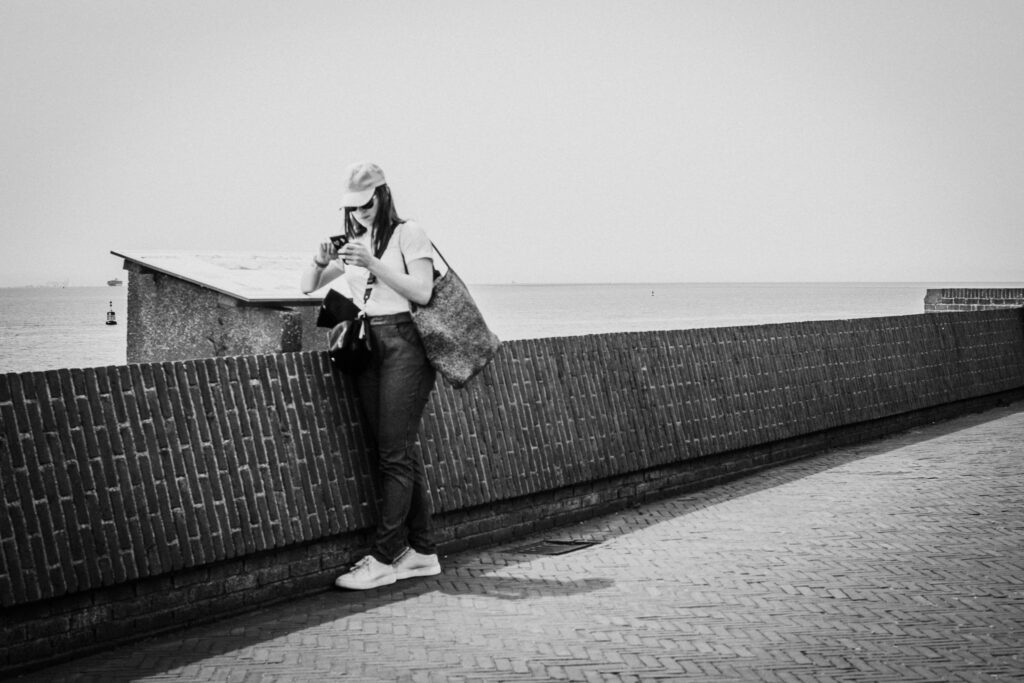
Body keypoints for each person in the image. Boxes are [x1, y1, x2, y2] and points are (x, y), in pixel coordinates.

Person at [300, 161, 441, 590]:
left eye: (366, 204)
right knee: (396, 451)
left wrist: (373, 262)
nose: (360, 213)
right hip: (368, 345)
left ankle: (383, 558)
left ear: (382, 195)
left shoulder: (407, 233)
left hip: (405, 343)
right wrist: (320, 260)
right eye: (353, 207)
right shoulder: (354, 242)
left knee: (393, 455)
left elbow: (423, 291)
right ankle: (423, 551)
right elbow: (307, 285)